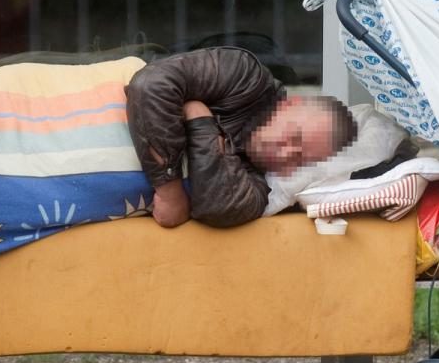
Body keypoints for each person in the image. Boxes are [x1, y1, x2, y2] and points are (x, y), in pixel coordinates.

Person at [125, 47, 357, 228]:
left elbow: (220, 208)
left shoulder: (261, 184)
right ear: (289, 105)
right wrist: (170, 194)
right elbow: (152, 84)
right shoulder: (245, 78)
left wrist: (201, 123)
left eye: (298, 159)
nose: (284, 153)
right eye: (295, 137)